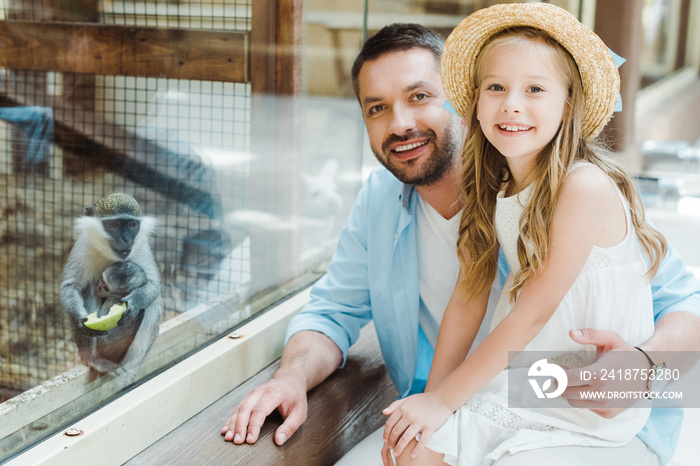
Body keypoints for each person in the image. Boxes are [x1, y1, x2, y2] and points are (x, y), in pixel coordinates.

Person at [220, 19, 700, 466]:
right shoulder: (392, 201)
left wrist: (639, 369)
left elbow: (686, 304)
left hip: (588, 403)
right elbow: (334, 311)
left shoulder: (577, 189)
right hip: (484, 393)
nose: (400, 123)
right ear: (479, 97)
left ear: (455, 99)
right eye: (377, 108)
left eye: (420, 96)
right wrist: (292, 377)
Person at [381, 4, 690, 465]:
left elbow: (533, 311)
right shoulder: (493, 186)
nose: (512, 104)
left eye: (536, 89)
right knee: (409, 452)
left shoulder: (583, 186)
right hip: (529, 374)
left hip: (589, 384)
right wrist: (433, 402)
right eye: (496, 87)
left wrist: (444, 403)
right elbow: (468, 296)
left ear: (569, 104)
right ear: (476, 103)